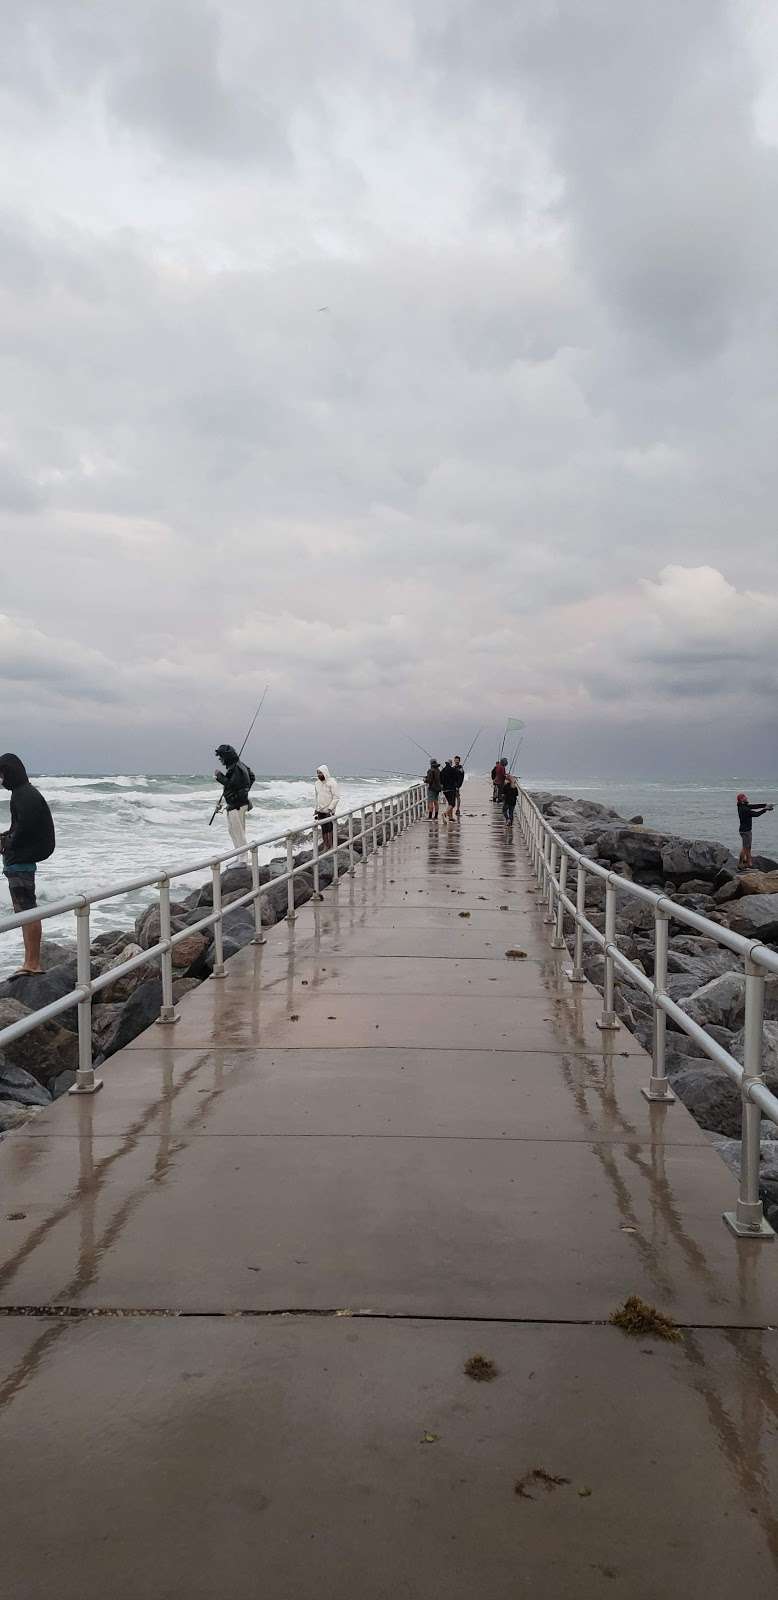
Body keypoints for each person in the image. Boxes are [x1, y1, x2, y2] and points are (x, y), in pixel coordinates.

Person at [0, 753, 55, 977]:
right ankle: (29, 961)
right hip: (20, 860)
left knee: (26, 911)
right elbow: (21, 827)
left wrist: (8, 844)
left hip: (21, 863)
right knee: (25, 910)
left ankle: (32, 963)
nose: (1, 780)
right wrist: (7, 837)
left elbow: (26, 828)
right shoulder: (25, 793)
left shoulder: (23, 795)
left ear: (10, 773)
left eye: (2, 774)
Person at [214, 743, 255, 863]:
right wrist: (245, 791)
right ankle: (240, 856)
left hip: (236, 805)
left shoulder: (236, 768)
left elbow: (232, 784)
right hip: (239, 803)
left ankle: (242, 859)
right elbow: (252, 777)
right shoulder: (240, 766)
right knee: (233, 830)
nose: (220, 759)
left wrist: (219, 776)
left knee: (237, 831)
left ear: (227, 756)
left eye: (221, 757)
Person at [737, 791, 774, 869]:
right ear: (742, 800)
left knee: (748, 847)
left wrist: (765, 805)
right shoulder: (744, 809)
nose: (747, 798)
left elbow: (754, 806)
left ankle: (749, 863)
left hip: (746, 830)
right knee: (745, 847)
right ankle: (740, 864)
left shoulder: (742, 806)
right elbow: (756, 814)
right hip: (745, 831)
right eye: (745, 797)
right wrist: (765, 809)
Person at [314, 764, 340, 852]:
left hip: (329, 810)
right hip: (320, 810)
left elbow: (336, 797)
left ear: (325, 772)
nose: (319, 775)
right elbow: (317, 797)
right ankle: (326, 846)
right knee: (323, 829)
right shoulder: (317, 783)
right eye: (318, 773)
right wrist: (316, 809)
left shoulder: (332, 782)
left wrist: (330, 809)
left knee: (330, 828)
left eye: (320, 773)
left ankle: (332, 846)